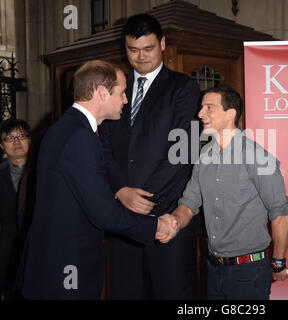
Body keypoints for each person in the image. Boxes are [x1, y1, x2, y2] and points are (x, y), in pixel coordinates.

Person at [18, 60, 178, 300]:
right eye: (122, 92)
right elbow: (104, 213)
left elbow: (85, 194)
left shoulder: (67, 128)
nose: (126, 99)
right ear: (102, 92)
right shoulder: (80, 137)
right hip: (65, 269)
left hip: (55, 263)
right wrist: (156, 226)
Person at [99, 13, 201, 299]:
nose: (140, 56)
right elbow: (103, 146)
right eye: (133, 49)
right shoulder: (116, 89)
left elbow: (183, 151)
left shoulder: (184, 88)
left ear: (163, 44)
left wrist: (144, 198)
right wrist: (121, 191)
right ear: (125, 48)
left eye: (148, 48)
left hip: (168, 217)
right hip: (123, 221)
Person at [169, 86, 288, 300]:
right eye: (201, 107)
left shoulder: (257, 157)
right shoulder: (204, 156)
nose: (200, 114)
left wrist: (279, 262)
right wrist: (172, 223)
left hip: (249, 273)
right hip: (214, 269)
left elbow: (280, 213)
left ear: (230, 114)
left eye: (209, 108)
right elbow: (188, 203)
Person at [0, 119, 31, 299]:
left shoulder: (44, 172)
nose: (16, 142)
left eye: (21, 136)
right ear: (2, 146)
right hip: (6, 255)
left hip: (37, 251)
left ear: (29, 140)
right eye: (9, 138)